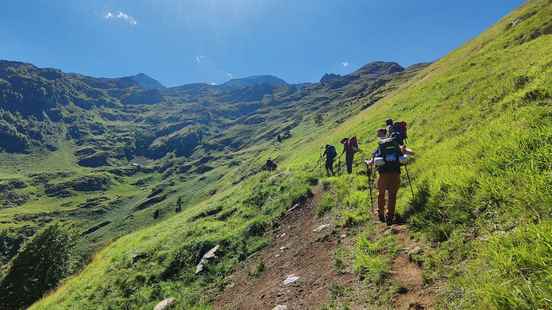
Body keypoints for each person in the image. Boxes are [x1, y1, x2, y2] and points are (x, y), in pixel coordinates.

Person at [366, 128, 414, 225]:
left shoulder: (380, 146)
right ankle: (390, 217)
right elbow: (411, 153)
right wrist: (404, 150)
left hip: (383, 174)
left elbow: (372, 161)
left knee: (381, 193)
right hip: (395, 174)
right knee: (392, 195)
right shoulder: (396, 145)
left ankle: (380, 213)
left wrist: (367, 162)